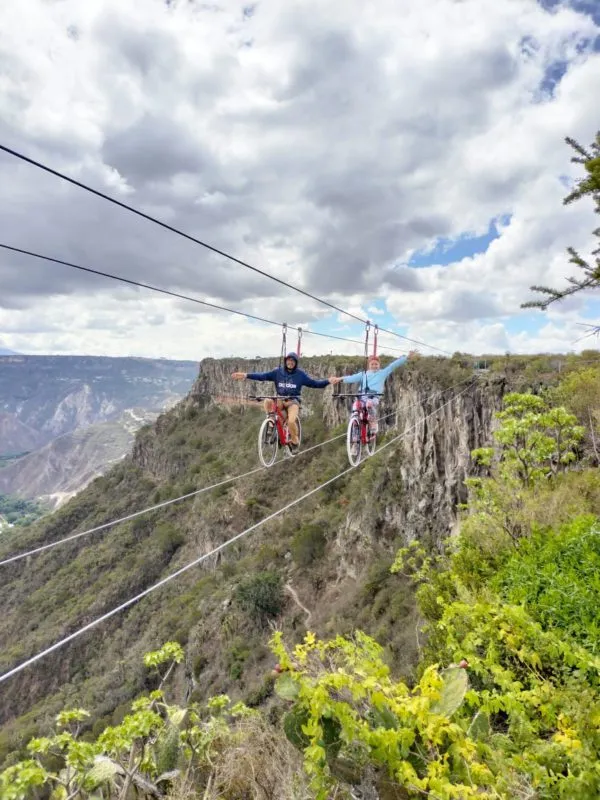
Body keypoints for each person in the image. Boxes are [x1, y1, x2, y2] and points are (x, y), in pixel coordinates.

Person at [232, 352, 334, 455]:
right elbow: (262, 376)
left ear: (296, 363)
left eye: (293, 361)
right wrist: (246, 375)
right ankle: (271, 422)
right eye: (289, 360)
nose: (290, 363)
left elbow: (315, 384)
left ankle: (294, 441)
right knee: (268, 401)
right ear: (285, 361)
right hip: (280, 399)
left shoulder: (300, 375)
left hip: (293, 401)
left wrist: (328, 381)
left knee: (291, 422)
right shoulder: (277, 372)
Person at [330, 350, 419, 435]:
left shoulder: (382, 373)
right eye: (372, 364)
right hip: (362, 395)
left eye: (376, 364)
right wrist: (338, 379)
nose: (374, 366)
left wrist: (406, 357)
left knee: (369, 404)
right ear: (369, 365)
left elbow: (393, 365)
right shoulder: (363, 374)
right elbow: (351, 378)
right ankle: (354, 429)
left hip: (374, 396)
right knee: (355, 407)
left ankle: (373, 422)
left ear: (379, 365)